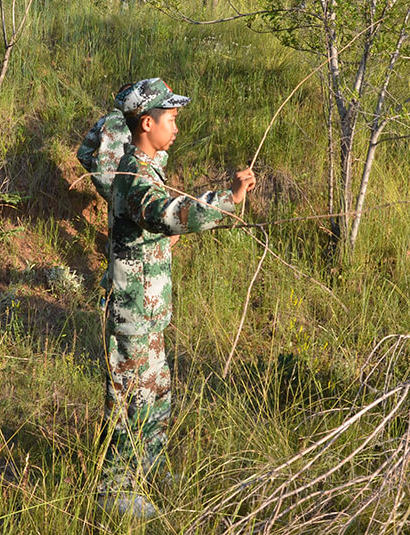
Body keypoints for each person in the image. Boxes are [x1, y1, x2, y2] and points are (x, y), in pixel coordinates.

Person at [98, 78, 256, 518]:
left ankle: (148, 467)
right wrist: (230, 200)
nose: (177, 129)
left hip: (151, 312)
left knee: (158, 392)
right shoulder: (133, 177)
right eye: (170, 120)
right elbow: (165, 214)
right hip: (133, 314)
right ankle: (116, 491)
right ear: (146, 123)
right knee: (132, 399)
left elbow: (171, 203)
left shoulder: (147, 167)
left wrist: (222, 195)